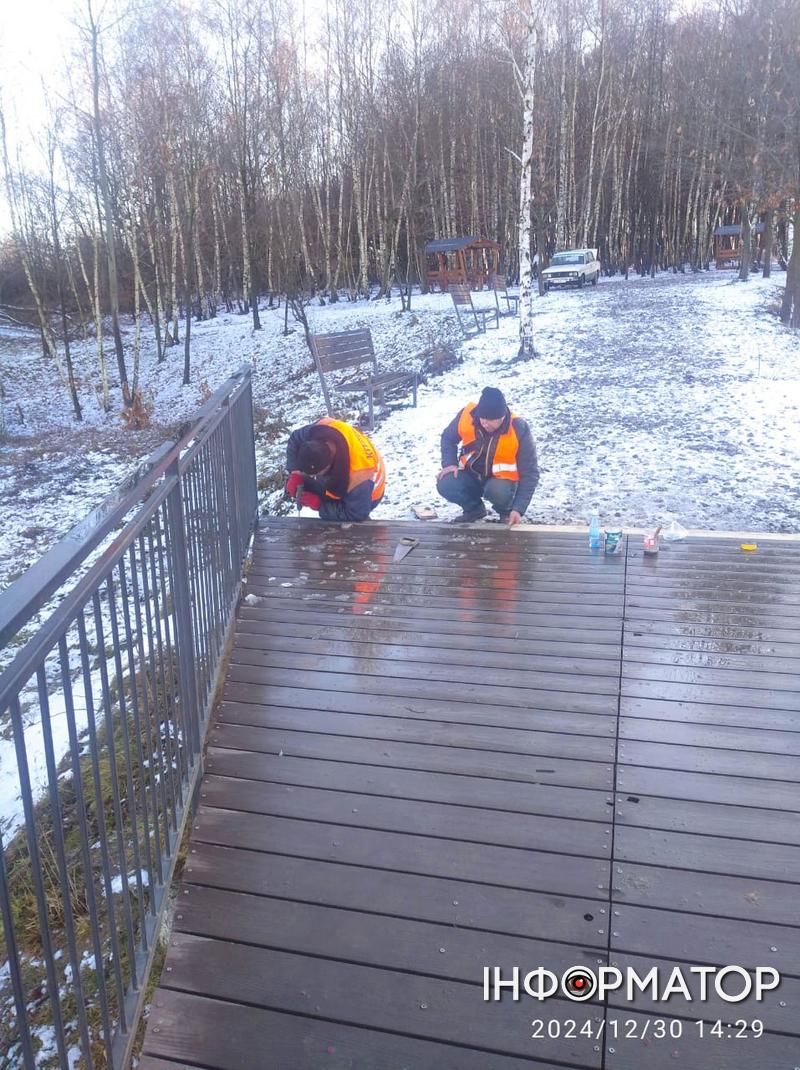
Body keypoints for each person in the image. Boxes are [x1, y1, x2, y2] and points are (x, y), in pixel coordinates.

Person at [437, 387, 539, 525]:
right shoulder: (467, 414)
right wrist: (449, 463)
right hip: (472, 475)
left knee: (497, 490)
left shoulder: (518, 427)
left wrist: (518, 509)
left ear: (502, 417)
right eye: (482, 418)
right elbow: (448, 438)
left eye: (490, 420)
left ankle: (506, 512)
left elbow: (530, 472)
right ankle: (474, 509)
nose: (484, 423)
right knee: (446, 482)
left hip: (501, 482)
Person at [285, 417, 385, 522]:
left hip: (370, 496)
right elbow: (295, 438)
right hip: (352, 477)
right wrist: (295, 472)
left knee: (349, 521)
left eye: (316, 474)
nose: (312, 477)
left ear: (328, 465)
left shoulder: (358, 477)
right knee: (307, 484)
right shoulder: (321, 428)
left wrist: (319, 505)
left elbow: (355, 513)